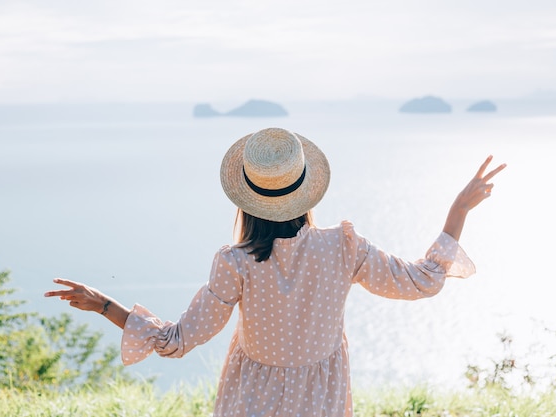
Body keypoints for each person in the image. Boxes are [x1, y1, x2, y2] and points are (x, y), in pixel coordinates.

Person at [45, 127, 505, 417]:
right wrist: (458, 210)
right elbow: (423, 280)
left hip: (249, 399)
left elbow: (175, 341)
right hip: (321, 401)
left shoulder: (236, 263)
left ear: (246, 199)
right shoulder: (343, 248)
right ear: (307, 192)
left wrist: (105, 305)